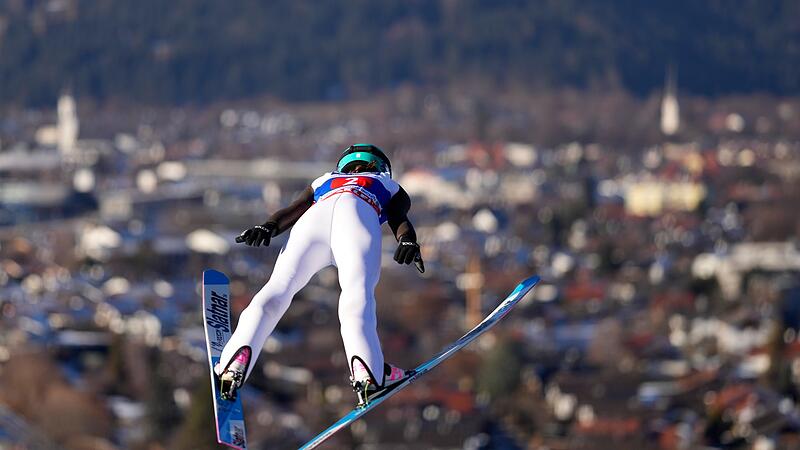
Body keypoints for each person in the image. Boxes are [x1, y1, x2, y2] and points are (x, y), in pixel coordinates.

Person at [215, 143, 423, 407]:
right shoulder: (385, 184)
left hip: (313, 219)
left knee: (277, 289)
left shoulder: (325, 179)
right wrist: (407, 241)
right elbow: (398, 216)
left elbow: (294, 209)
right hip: (357, 212)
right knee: (355, 294)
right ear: (383, 167)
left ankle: (234, 361)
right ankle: (368, 372)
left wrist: (267, 227)